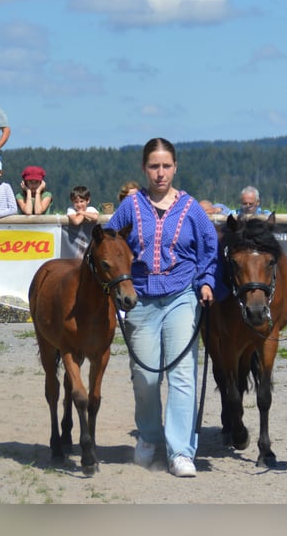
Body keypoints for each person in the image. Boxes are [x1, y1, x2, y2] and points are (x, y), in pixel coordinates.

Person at [107, 137, 217, 478]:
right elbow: (109, 245)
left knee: (182, 373)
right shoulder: (131, 206)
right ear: (144, 168)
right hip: (140, 298)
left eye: (166, 166)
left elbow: (209, 246)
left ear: (175, 168)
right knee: (145, 376)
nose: (160, 173)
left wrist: (207, 280)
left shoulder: (190, 207)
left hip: (182, 296)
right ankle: (150, 437)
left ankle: (181, 451)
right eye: (154, 166)